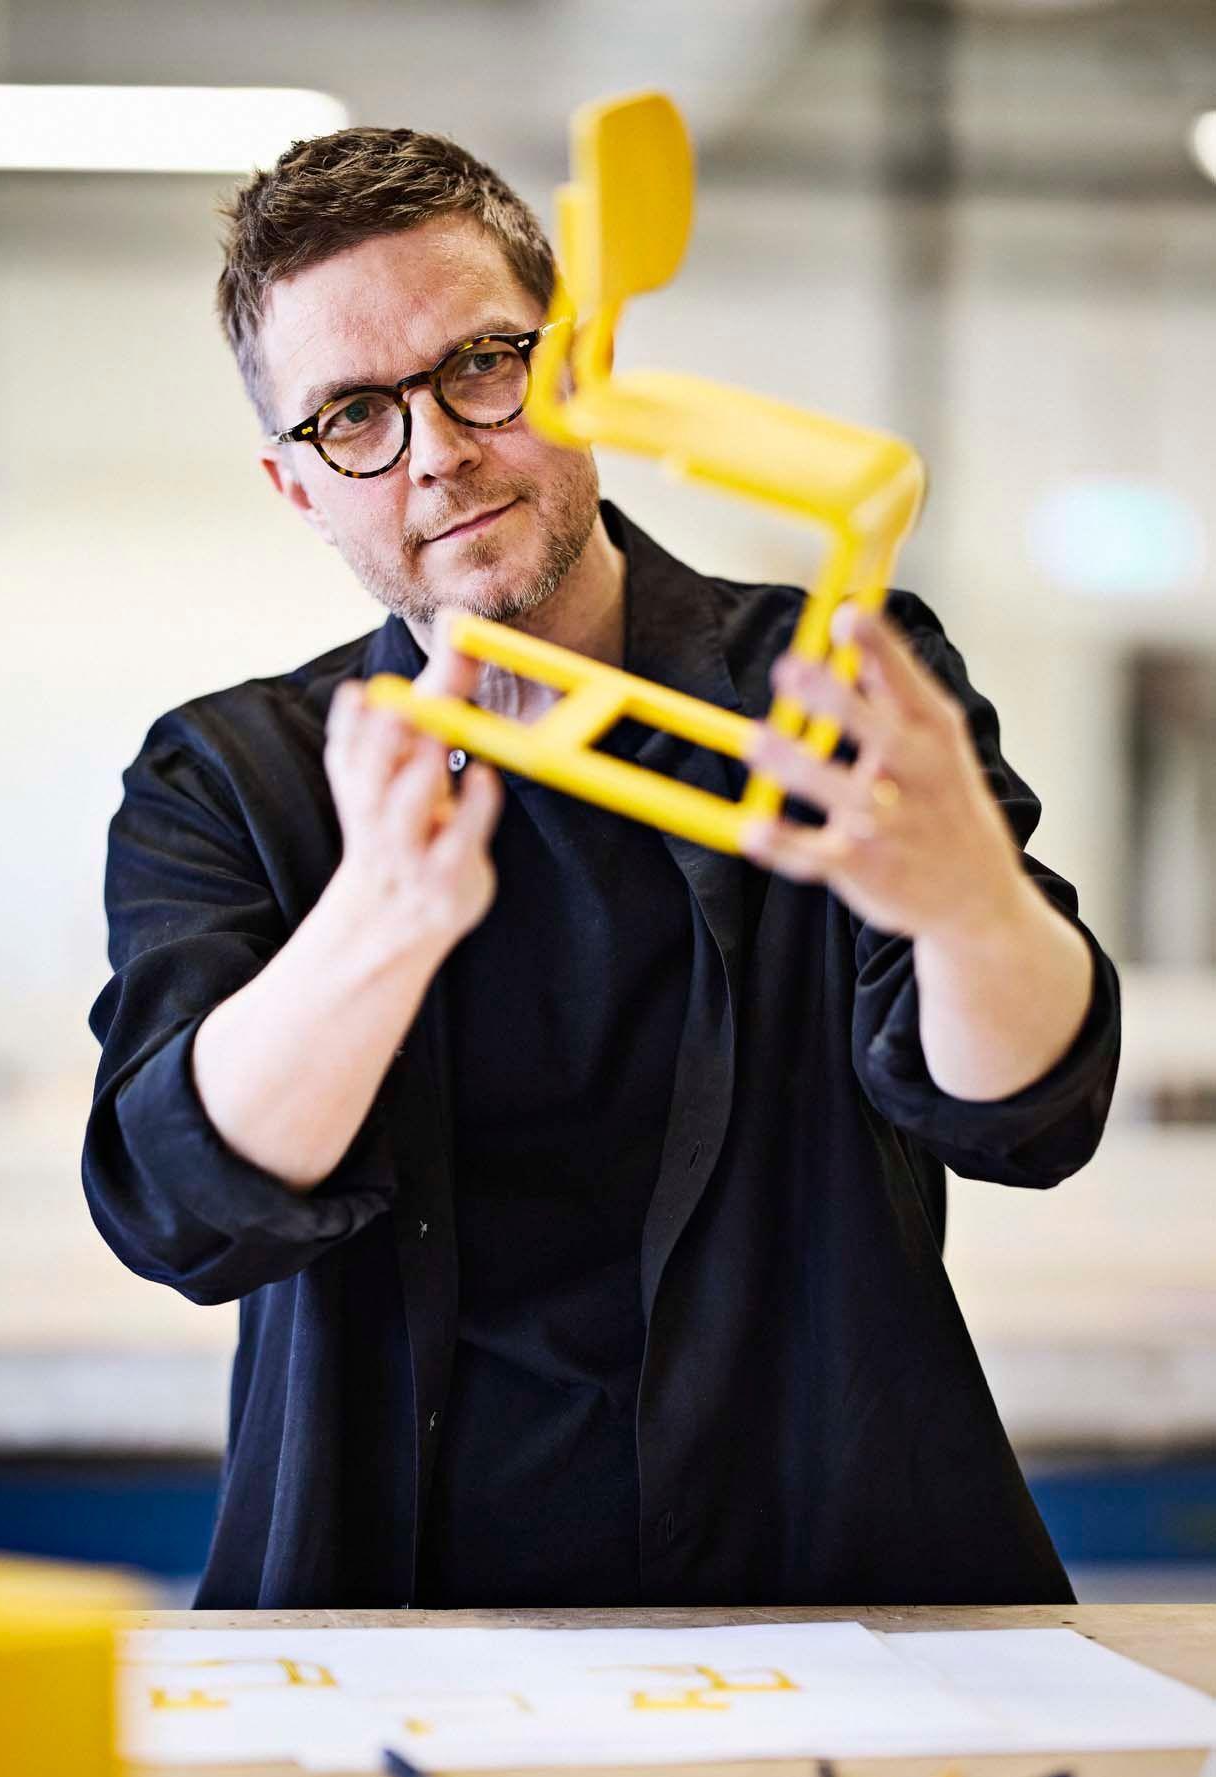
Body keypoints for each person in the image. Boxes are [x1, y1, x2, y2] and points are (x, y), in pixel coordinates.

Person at [82, 127, 1120, 1611]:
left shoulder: (828, 682)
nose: (436, 450)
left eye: (480, 364)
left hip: (840, 1597)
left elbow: (1026, 1113)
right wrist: (376, 926)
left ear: (581, 357)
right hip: (388, 1626)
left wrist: (970, 910)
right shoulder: (233, 777)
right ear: (296, 486)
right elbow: (176, 1205)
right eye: (353, 416)